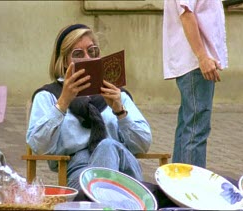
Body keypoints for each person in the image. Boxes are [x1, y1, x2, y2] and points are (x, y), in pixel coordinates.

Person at [26, 23, 152, 190]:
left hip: (124, 170)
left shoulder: (115, 93)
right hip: (79, 173)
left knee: (108, 146)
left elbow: (143, 144)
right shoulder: (49, 96)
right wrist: (63, 103)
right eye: (78, 54)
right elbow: (39, 146)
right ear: (64, 62)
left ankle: (100, 201)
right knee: (102, 161)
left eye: (92, 51)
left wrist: (120, 112)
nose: (87, 58)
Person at [162, 0, 228, 168]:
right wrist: (202, 57)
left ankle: (178, 184)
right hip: (195, 63)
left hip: (194, 62)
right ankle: (191, 188)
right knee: (195, 129)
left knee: (188, 125)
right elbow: (186, 14)